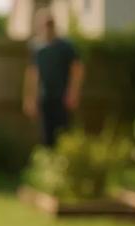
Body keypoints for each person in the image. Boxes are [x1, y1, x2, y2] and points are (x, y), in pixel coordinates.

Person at [22, 8, 85, 147]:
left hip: (62, 98)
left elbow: (78, 69)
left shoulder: (66, 46)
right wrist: (29, 98)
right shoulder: (37, 48)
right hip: (45, 97)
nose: (48, 27)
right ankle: (49, 165)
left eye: (50, 24)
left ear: (54, 25)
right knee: (46, 136)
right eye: (45, 24)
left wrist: (73, 93)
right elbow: (33, 73)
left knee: (64, 135)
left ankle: (63, 165)